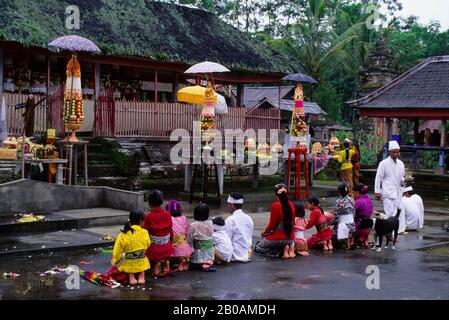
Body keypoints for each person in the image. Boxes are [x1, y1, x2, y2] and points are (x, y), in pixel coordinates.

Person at [254, 184, 296, 259]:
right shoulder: (292, 204)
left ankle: (280, 252)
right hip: (291, 239)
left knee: (259, 247)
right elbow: (293, 223)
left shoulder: (276, 205)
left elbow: (272, 225)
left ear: (276, 194)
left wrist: (264, 232)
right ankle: (285, 249)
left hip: (278, 237)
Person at [111, 209, 151, 285]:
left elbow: (117, 252)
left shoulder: (123, 234)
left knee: (121, 259)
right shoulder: (145, 232)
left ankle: (131, 278)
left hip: (128, 263)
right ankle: (141, 277)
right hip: (141, 261)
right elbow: (147, 244)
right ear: (141, 221)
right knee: (141, 260)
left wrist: (116, 260)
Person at [143, 190, 174, 277]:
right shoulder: (167, 214)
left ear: (149, 203)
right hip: (167, 247)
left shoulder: (148, 216)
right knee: (164, 242)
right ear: (162, 201)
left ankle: (157, 264)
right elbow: (170, 232)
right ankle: (165, 263)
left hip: (153, 250)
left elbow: (145, 232)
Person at [375, 141, 406, 225]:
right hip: (388, 192)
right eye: (394, 152)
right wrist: (377, 191)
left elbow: (402, 177)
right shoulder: (383, 163)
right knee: (389, 214)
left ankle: (395, 231)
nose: (396, 154)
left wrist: (404, 181)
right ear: (389, 152)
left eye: (397, 152)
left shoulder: (401, 164)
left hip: (398, 192)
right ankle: (389, 233)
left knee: (398, 213)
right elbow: (378, 178)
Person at [225, 193, 254, 263]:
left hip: (234, 256)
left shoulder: (230, 219)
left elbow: (226, 239)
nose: (228, 206)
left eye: (228, 204)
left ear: (232, 205)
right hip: (247, 254)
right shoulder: (249, 218)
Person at [187, 203, 216, 272]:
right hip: (210, 255)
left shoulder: (193, 225)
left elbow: (189, 240)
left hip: (198, 257)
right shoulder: (211, 223)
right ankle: (208, 264)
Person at [166, 200, 193, 272]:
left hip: (175, 250)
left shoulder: (169, 219)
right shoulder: (184, 218)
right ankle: (185, 260)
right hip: (187, 249)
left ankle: (180, 262)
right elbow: (187, 232)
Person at [333, 182, 356, 249]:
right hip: (352, 225)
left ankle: (345, 242)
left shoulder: (339, 202)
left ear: (339, 192)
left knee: (332, 238)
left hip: (344, 225)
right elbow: (354, 212)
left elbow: (336, 218)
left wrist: (328, 223)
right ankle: (351, 239)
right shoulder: (351, 199)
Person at [353, 184, 374, 248]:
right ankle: (364, 239)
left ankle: (358, 239)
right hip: (368, 228)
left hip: (360, 227)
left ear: (357, 192)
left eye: (354, 192)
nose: (353, 194)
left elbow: (350, 212)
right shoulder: (369, 200)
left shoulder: (358, 201)